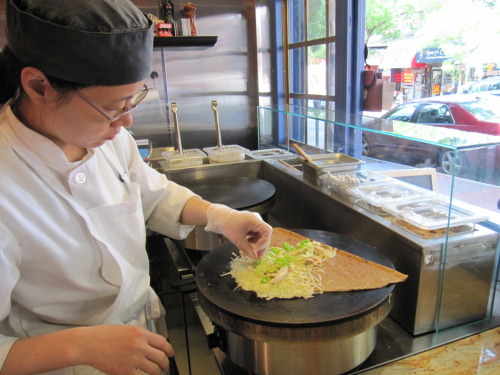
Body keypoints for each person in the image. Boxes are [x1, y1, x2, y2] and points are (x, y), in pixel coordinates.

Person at [0, 1, 272, 374]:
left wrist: (221, 217)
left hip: (145, 338)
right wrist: (78, 345)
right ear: (38, 86)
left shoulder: (107, 137)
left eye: (133, 100)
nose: (125, 121)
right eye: (113, 107)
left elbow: (152, 194)